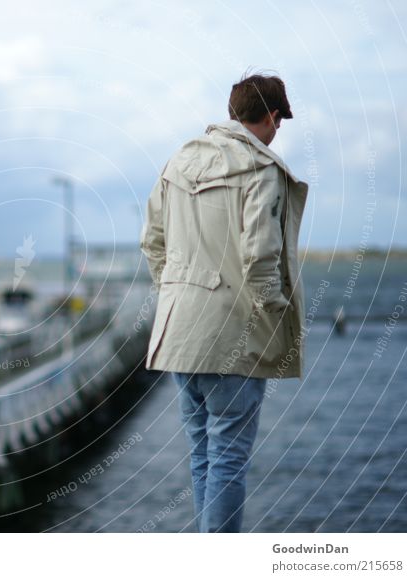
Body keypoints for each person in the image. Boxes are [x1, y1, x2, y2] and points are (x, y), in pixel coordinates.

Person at [139, 72, 309, 532]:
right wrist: (274, 312)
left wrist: (179, 293)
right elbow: (259, 259)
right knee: (229, 459)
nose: (278, 133)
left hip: (178, 335)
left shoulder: (178, 161)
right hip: (232, 338)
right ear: (272, 117)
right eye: (280, 122)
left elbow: (152, 241)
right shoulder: (261, 169)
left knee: (203, 457)